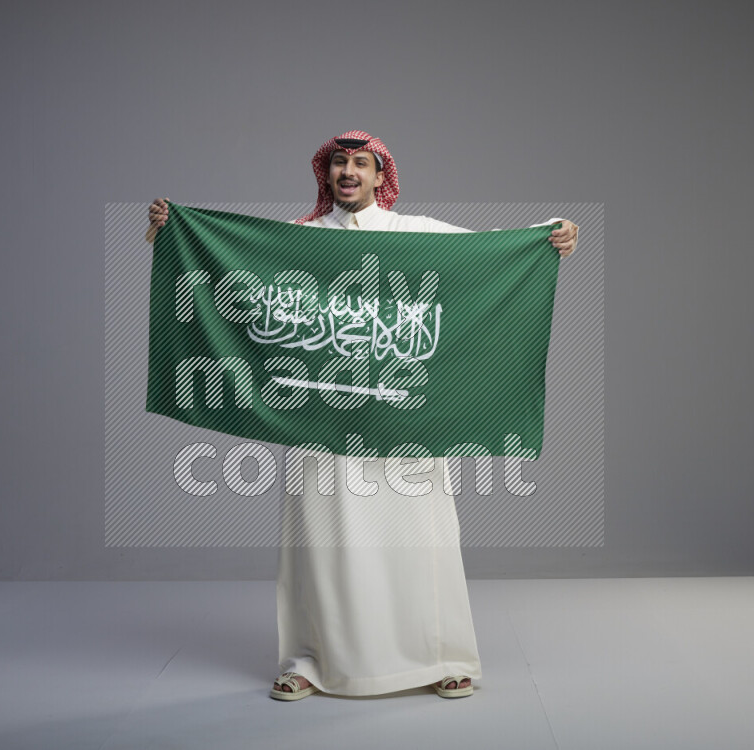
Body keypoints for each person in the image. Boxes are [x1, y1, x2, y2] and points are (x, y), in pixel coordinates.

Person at [146, 130, 579, 701]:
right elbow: (230, 277)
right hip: (317, 422)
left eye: (360, 163)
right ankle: (307, 660)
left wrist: (551, 235)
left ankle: (443, 657)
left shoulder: (415, 236)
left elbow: (490, 252)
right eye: (339, 163)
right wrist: (171, 236)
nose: (348, 171)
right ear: (325, 177)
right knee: (318, 545)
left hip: (404, 425)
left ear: (381, 176)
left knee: (419, 540)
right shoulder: (296, 241)